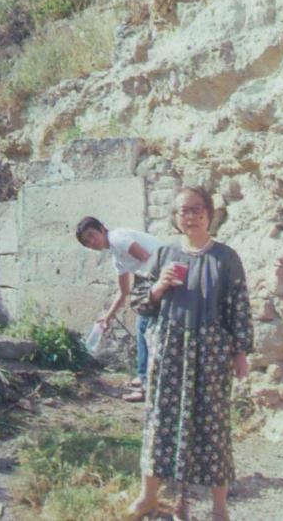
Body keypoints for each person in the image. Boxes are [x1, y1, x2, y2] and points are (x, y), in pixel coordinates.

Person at [126, 187, 252, 521]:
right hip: (169, 349)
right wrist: (159, 287)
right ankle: (148, 497)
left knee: (213, 426)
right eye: (184, 211)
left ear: (209, 213)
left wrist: (240, 352)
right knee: (160, 420)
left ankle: (219, 508)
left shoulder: (226, 258)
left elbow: (239, 307)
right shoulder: (164, 253)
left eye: (198, 209)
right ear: (175, 216)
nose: (191, 216)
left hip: (211, 353)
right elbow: (139, 302)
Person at [76, 216, 164, 402]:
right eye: (86, 242)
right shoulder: (117, 256)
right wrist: (107, 317)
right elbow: (123, 291)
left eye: (92, 235)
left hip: (162, 277)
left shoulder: (117, 238)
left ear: (102, 229)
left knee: (144, 327)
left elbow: (148, 259)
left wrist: (149, 292)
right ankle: (145, 378)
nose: (92, 242)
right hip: (157, 281)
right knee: (144, 329)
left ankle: (145, 385)